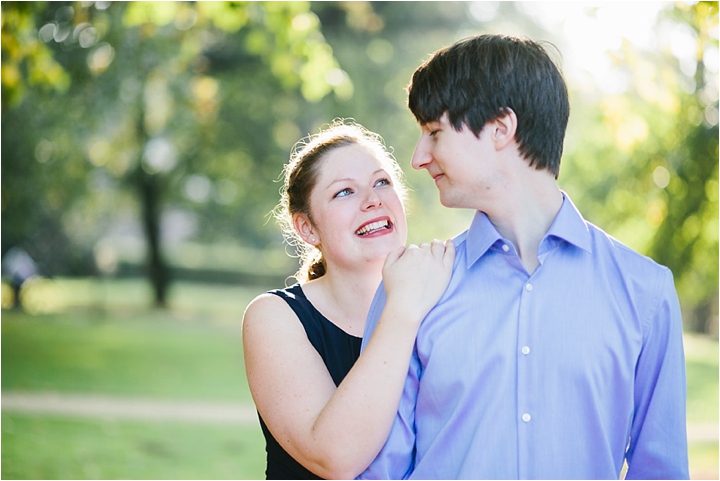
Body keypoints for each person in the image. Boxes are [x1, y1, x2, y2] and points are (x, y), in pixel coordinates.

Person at [360, 35, 689, 479]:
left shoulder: (645, 292)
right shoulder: (410, 290)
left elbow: (661, 470)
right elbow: (377, 471)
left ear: (500, 128)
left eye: (434, 132)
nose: (419, 157)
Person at [242, 120, 455, 480]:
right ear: (307, 228)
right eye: (345, 192)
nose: (373, 200)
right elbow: (335, 458)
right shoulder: (274, 317)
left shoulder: (442, 299)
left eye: (382, 182)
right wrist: (402, 308)